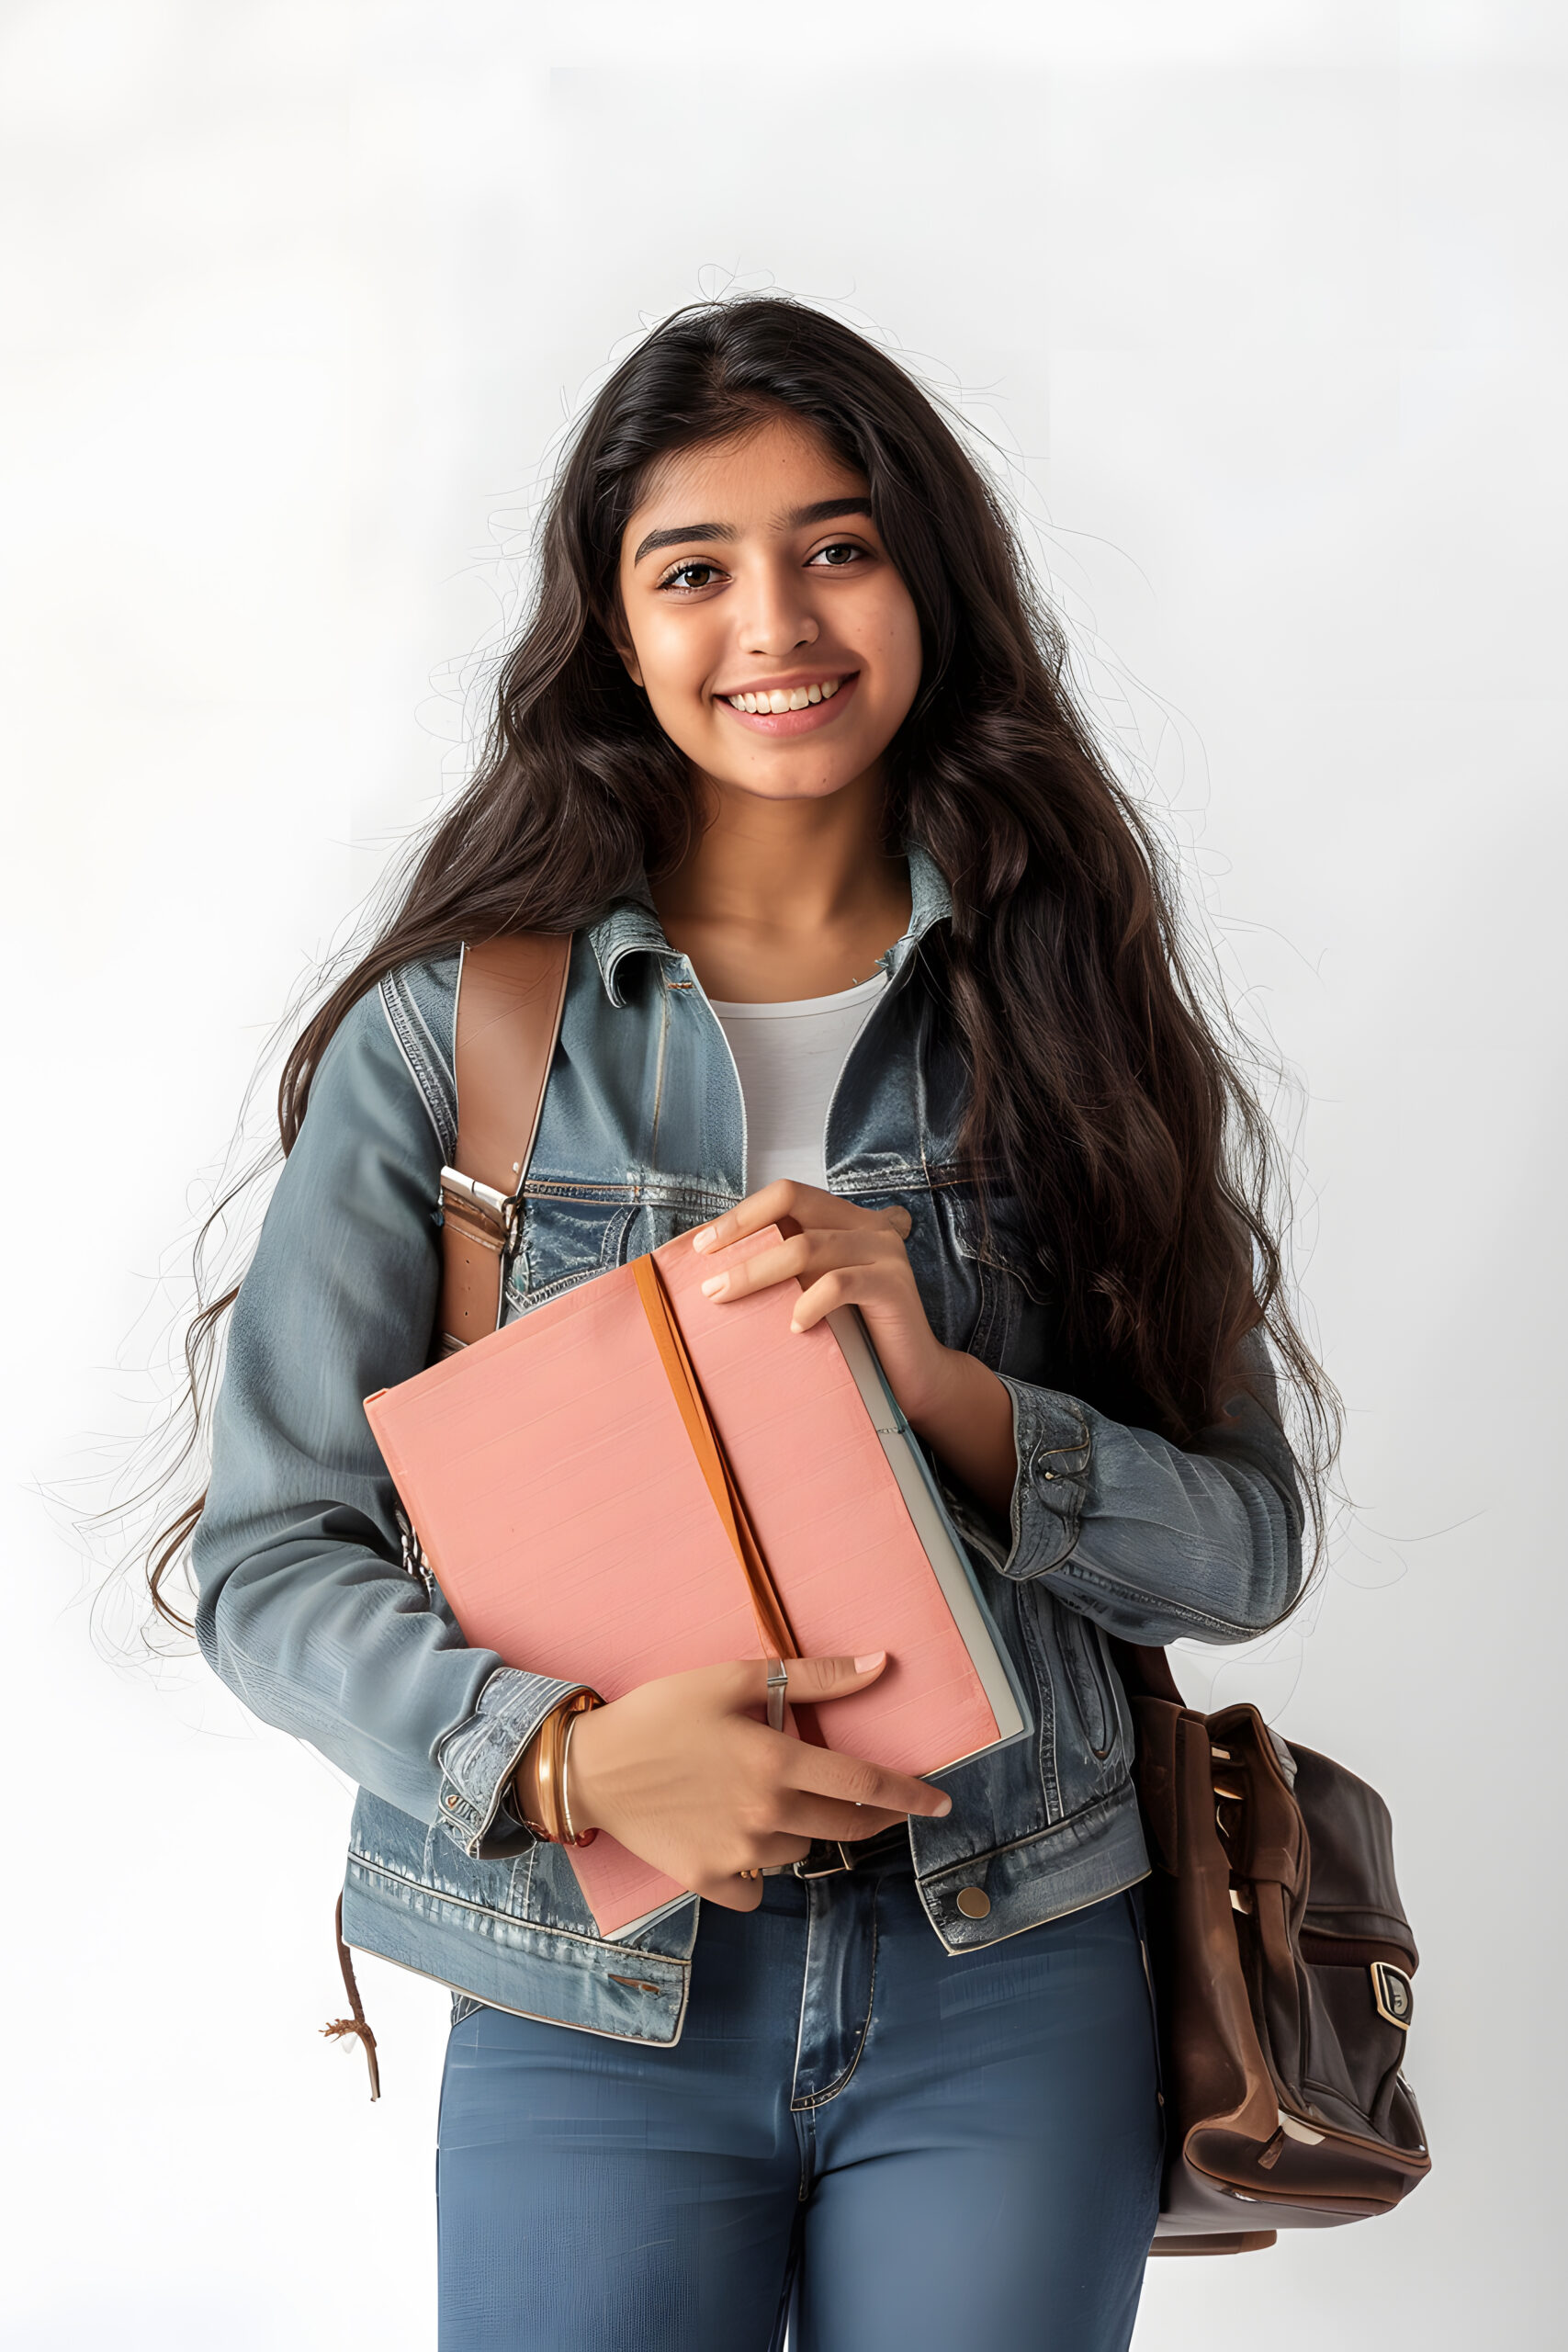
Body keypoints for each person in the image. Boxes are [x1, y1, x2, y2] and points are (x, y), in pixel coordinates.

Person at [167, 297, 1330, 2350]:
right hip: (592, 1995)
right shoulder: (458, 1039)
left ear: (924, 581)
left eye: (838, 544)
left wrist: (959, 1398)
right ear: (618, 631)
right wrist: (564, 1758)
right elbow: (272, 1557)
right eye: (692, 568)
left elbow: (1241, 1545)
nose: (773, 620)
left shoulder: (1064, 1012)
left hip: (1015, 1969)